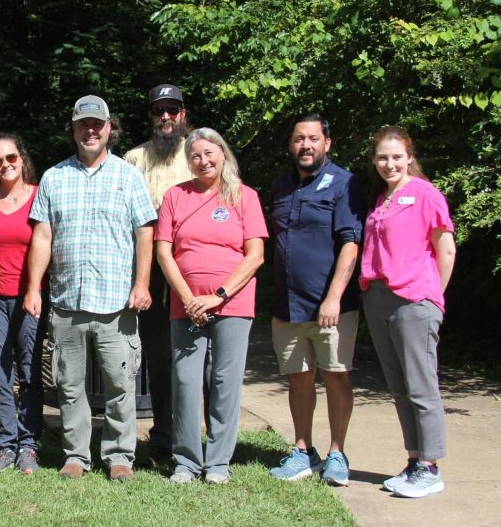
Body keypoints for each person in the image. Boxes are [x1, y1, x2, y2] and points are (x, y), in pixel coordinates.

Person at [23, 95, 157, 482]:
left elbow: (144, 232)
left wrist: (143, 283)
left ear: (110, 128)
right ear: (74, 129)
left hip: (117, 302)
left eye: (98, 124)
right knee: (69, 385)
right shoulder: (54, 177)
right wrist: (34, 288)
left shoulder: (128, 175)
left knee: (120, 383)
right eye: (84, 124)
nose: (91, 130)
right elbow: (43, 237)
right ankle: (76, 456)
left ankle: (119, 457)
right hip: (67, 302)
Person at [155, 127, 267, 485]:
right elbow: (163, 252)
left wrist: (218, 295)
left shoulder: (244, 196)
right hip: (185, 305)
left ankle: (218, 461)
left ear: (223, 153)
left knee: (225, 381)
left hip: (233, 303)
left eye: (209, 152)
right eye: (195, 156)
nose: (203, 160)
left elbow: (255, 255)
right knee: (186, 381)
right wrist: (188, 298)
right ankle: (186, 461)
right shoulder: (176, 196)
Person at [268, 114, 365, 485]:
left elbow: (350, 243)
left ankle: (337, 453)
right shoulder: (281, 185)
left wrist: (334, 297)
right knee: (300, 380)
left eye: (312, 138)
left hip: (329, 307)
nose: (305, 145)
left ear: (328, 143)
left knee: (337, 377)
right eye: (298, 139)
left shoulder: (344, 183)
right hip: (287, 306)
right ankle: (302, 450)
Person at [359, 126, 456, 499]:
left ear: (410, 157)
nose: (389, 163)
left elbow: (445, 250)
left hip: (414, 299)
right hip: (378, 297)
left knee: (421, 387)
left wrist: (432, 298)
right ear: (374, 160)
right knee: (399, 388)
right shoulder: (383, 198)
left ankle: (431, 466)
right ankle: (414, 460)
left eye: (397, 156)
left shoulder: (425, 195)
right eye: (382, 157)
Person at [122, 83, 194, 464]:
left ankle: (203, 437)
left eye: (172, 109)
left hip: (193, 271)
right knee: (159, 356)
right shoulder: (134, 158)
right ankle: (164, 435)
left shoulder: (200, 151)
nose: (165, 117)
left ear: (183, 113)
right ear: (150, 116)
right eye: (158, 110)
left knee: (198, 355)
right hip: (149, 270)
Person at [0, 134, 44, 475]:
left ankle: (29, 445)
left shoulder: (39, 194)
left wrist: (36, 289)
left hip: (29, 295)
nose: (5, 165)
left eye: (11, 157)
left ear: (22, 157)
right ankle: (5, 443)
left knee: (30, 370)